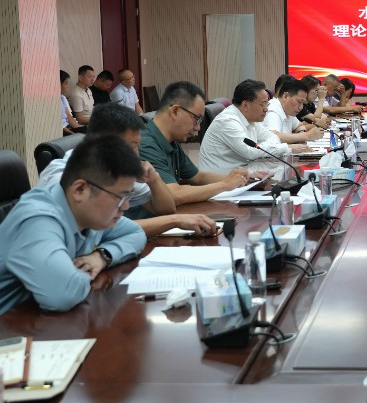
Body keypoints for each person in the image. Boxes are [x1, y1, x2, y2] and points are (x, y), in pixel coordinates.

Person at [0, 135, 146, 314]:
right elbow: (63, 294)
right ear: (80, 189)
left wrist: (101, 257)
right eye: (120, 197)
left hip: (33, 315)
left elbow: (136, 233)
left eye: (129, 196)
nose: (126, 206)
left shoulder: (87, 213)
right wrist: (81, 273)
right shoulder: (37, 219)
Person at [39, 102, 217, 238]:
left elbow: (166, 209)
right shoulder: (61, 176)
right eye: (131, 146)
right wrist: (175, 220)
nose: (136, 154)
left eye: (137, 146)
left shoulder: (118, 170)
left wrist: (154, 179)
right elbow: (103, 229)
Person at [138, 81, 250, 206]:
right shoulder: (144, 144)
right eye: (197, 118)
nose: (198, 127)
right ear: (175, 111)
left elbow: (197, 177)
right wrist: (224, 185)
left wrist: (239, 178)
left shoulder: (171, 141)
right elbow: (173, 194)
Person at [199, 79, 292, 176]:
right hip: (218, 181)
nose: (266, 109)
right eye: (263, 104)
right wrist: (285, 148)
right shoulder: (228, 121)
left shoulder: (251, 118)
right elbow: (249, 152)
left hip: (241, 174)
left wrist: (266, 146)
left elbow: (273, 137)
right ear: (246, 105)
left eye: (267, 103)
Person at [264, 78, 323, 148]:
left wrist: (301, 133)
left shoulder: (288, 110)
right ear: (285, 96)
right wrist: (306, 136)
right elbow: (273, 136)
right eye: (299, 102)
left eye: (303, 103)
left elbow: (299, 126)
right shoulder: (272, 110)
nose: (301, 107)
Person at [60, 70, 86, 135]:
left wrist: (80, 128)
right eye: (66, 83)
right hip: (62, 131)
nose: (68, 86)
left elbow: (69, 117)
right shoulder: (53, 101)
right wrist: (73, 134)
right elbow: (61, 126)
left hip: (69, 127)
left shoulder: (62, 98)